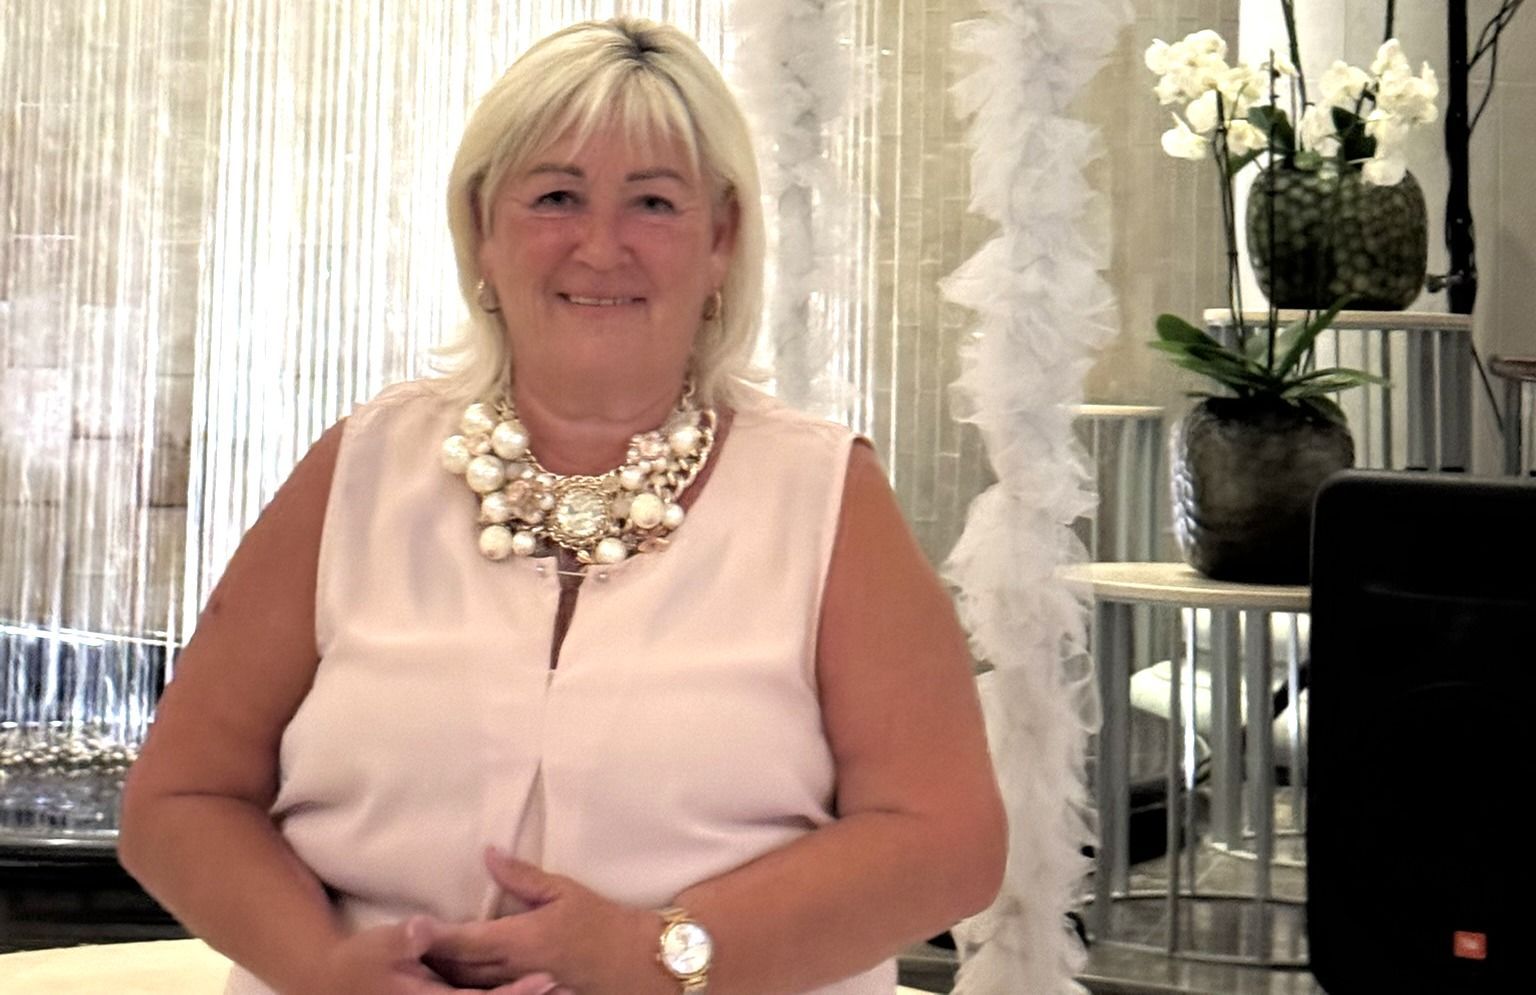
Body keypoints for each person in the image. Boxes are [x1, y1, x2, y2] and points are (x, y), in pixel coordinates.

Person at [119, 17, 1006, 995]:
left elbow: (946, 840)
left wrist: (662, 951)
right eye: (555, 196)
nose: (601, 244)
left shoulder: (825, 493)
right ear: (482, 230)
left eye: (654, 203)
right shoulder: (361, 467)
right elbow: (181, 798)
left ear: (721, 239)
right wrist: (323, 968)